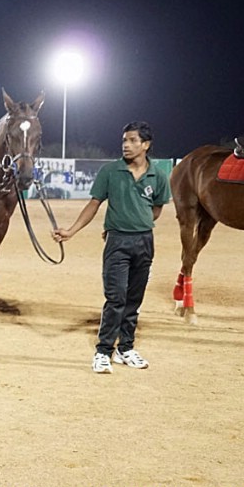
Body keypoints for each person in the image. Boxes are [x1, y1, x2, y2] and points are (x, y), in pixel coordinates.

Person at [53, 121, 171, 374]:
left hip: (145, 242)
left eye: (132, 141)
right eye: (124, 141)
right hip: (117, 242)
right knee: (116, 298)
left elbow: (157, 208)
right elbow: (94, 204)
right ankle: (103, 352)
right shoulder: (110, 171)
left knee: (134, 300)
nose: (126, 145)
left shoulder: (158, 176)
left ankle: (125, 349)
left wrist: (139, 221)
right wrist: (71, 231)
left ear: (146, 145)